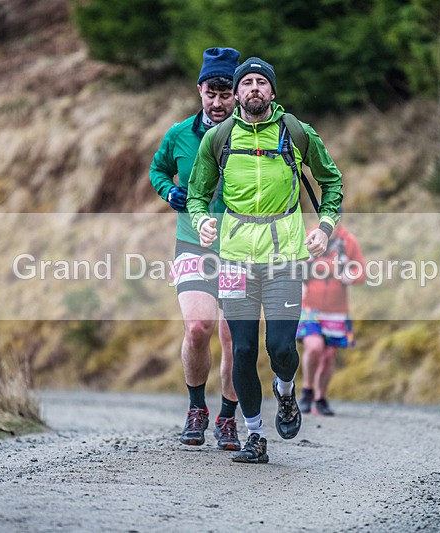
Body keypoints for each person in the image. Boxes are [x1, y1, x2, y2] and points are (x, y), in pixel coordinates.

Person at [187, 57, 343, 464]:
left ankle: (286, 390)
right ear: (237, 93)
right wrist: (203, 221)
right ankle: (255, 435)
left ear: (272, 92)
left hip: (284, 256)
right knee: (241, 350)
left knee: (279, 347)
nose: (254, 88)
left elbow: (332, 182)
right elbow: (197, 194)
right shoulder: (218, 138)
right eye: (247, 82)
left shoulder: (295, 132)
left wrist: (324, 229)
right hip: (236, 257)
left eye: (262, 82)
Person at [149, 47, 242, 451]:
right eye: (211, 93)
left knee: (233, 335)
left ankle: (227, 417)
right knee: (199, 327)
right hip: (193, 241)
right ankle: (195, 408)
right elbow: (157, 169)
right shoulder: (179, 134)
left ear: (238, 93)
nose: (218, 103)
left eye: (226, 93)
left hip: (241, 246)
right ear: (200, 90)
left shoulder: (252, 136)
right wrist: (169, 189)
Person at [296, 220, 366, 416]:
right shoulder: (310, 236)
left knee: (328, 356)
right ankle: (307, 390)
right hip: (310, 307)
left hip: (336, 310)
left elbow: (361, 270)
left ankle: (321, 398)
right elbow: (294, 263)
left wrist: (351, 276)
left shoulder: (348, 242)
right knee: (314, 347)